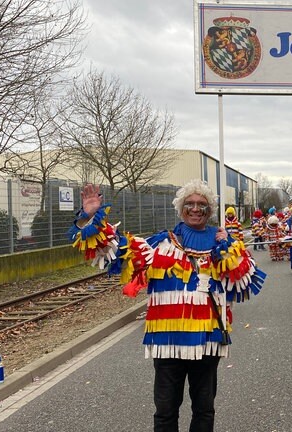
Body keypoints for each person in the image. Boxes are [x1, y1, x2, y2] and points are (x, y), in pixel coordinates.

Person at [69, 181, 266, 432]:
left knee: (204, 410)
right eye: (190, 204)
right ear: (181, 208)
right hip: (167, 342)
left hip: (208, 341)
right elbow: (115, 248)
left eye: (202, 205)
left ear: (210, 210)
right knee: (165, 412)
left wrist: (229, 247)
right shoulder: (160, 245)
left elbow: (244, 281)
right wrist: (91, 217)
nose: (195, 209)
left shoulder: (222, 243)